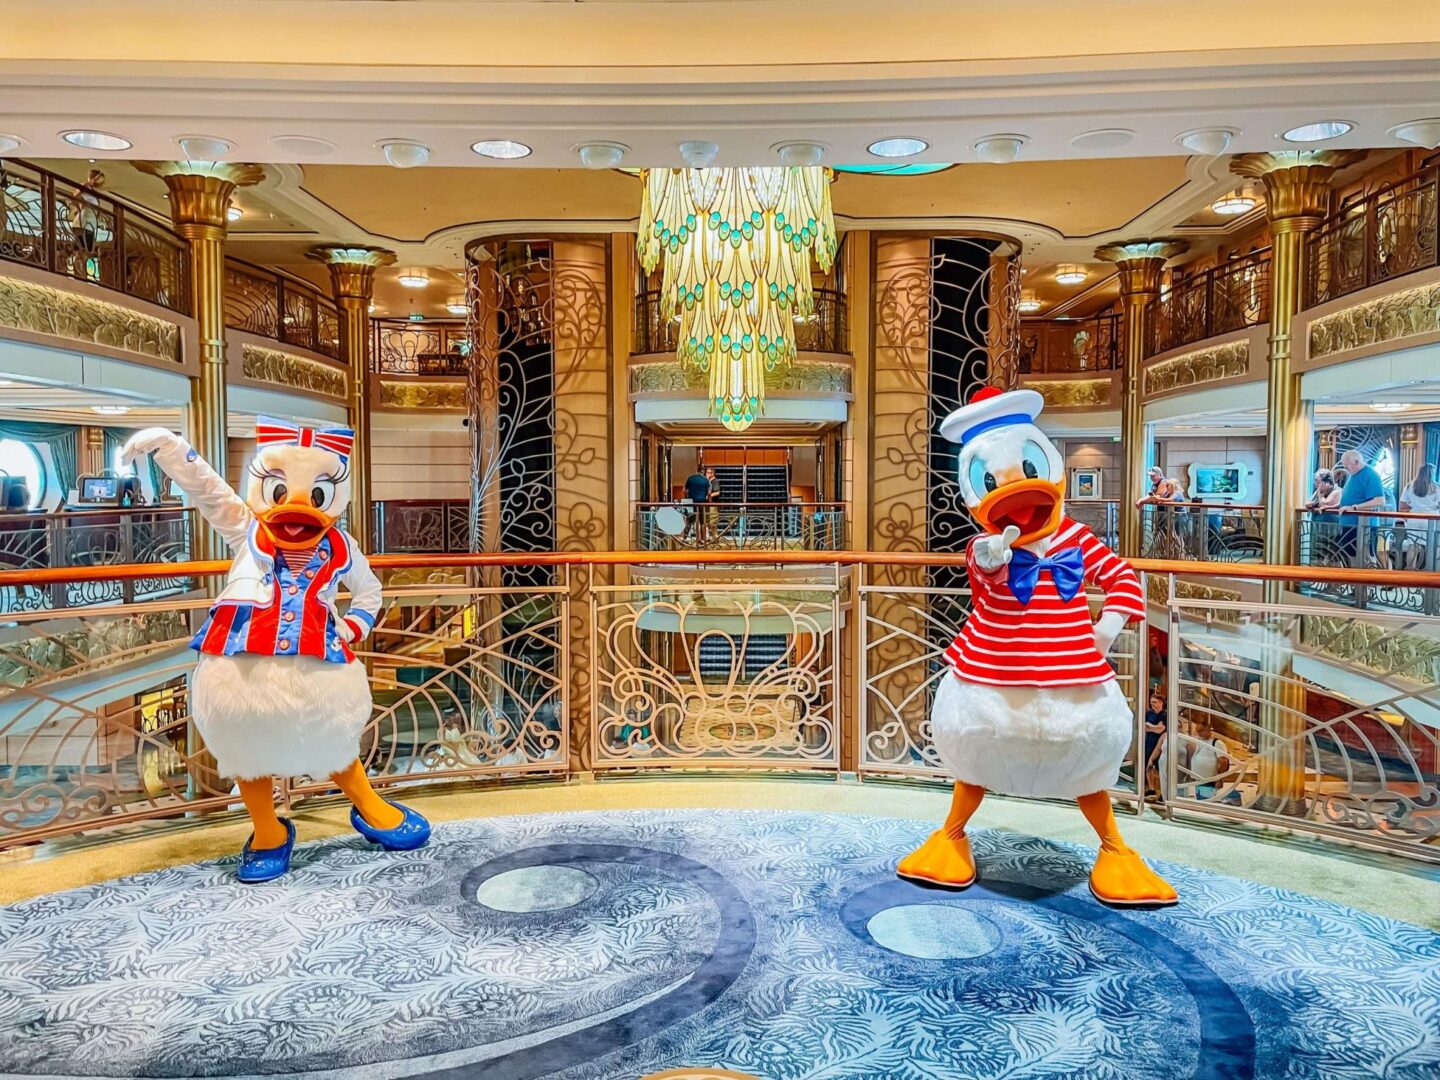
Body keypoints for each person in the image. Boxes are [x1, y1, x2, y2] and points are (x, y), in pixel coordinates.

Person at [1337, 449, 1387, 566]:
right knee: (1350, 557)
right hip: (1350, 525)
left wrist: (1354, 508)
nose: (1346, 468)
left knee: (1366, 558)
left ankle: (1366, 583)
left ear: (1356, 461)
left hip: (1364, 527)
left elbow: (1380, 501)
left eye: (1347, 465)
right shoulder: (1353, 474)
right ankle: (1355, 583)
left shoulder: (1371, 475)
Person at [1142, 691, 1167, 800]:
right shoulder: (1149, 713)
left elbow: (1160, 729)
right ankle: (1151, 789)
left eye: (1155, 702)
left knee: (1161, 768)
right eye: (1151, 702)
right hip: (1149, 742)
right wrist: (1154, 727)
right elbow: (1144, 726)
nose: (1152, 704)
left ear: (1161, 702)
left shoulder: (1165, 714)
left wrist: (1150, 727)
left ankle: (1163, 791)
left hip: (1161, 743)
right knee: (1148, 765)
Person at [683, 467, 710, 542]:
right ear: (703, 472)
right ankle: (702, 539)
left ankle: (684, 538)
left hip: (691, 502)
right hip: (702, 502)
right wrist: (709, 502)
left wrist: (686, 499)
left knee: (689, 520)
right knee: (702, 521)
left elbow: (684, 491)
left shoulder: (690, 478)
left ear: (697, 471)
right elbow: (709, 493)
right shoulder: (706, 480)